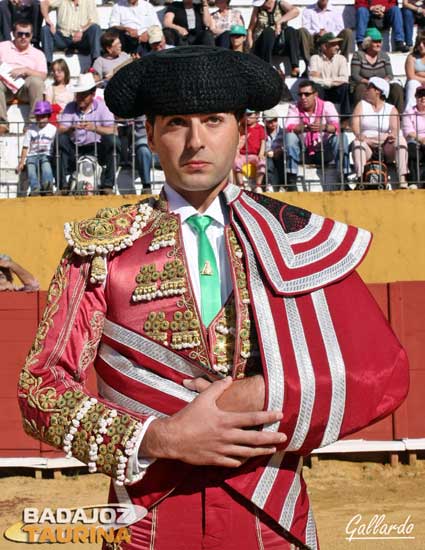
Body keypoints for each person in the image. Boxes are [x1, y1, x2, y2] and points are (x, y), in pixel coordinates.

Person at [18, 46, 409, 550]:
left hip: (270, 514)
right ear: (153, 134)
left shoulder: (295, 236)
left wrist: (261, 395)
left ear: (243, 131)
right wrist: (160, 438)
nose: (195, 141)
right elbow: (40, 388)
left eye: (214, 120)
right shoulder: (103, 247)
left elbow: (381, 372)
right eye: (178, 122)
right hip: (145, 520)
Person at [57, 72, 120, 194]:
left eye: (83, 95)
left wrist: (94, 128)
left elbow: (114, 130)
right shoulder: (70, 107)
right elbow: (60, 129)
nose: (79, 98)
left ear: (92, 94)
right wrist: (72, 128)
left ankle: (108, 185)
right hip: (75, 148)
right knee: (61, 140)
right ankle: (62, 186)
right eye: (78, 95)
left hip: (97, 147)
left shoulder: (102, 107)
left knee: (113, 141)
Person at [284, 79, 350, 190]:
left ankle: (344, 178)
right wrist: (305, 128)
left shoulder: (327, 106)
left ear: (315, 95)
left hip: (325, 151)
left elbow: (337, 126)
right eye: (300, 94)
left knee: (341, 137)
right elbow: (288, 126)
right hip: (303, 152)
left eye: (307, 94)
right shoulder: (294, 107)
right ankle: (291, 180)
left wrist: (324, 128)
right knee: (290, 137)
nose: (303, 97)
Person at [351, 76, 408, 187]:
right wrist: (360, 136)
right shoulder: (361, 105)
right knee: (357, 143)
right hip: (366, 144)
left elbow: (395, 130)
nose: (366, 90)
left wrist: (389, 136)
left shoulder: (391, 108)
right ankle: (360, 180)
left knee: (400, 141)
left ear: (378, 91)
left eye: (369, 88)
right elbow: (355, 125)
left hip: (385, 145)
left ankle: (402, 180)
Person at [0, 20, 47, 135]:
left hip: (25, 88)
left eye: (27, 34)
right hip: (4, 86)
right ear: (13, 34)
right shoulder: (2, 47)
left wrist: (26, 70)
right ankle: (2, 123)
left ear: (31, 36)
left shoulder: (38, 54)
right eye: (20, 34)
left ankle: (31, 123)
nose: (23, 37)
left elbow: (43, 75)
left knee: (37, 82)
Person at [350, 27, 404, 114]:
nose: (378, 44)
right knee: (360, 88)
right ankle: (359, 117)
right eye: (375, 42)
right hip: (365, 84)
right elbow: (355, 75)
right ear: (367, 43)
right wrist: (371, 83)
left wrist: (382, 83)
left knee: (397, 88)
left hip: (382, 85)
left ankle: (399, 118)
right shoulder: (358, 55)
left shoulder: (384, 56)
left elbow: (390, 75)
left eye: (380, 41)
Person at [247, 0, 301, 76]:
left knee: (290, 30)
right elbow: (250, 29)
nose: (262, 5)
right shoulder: (258, 8)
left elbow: (296, 11)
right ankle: (267, 66)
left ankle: (295, 66)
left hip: (279, 43)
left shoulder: (280, 3)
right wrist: (250, 46)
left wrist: (279, 22)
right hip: (263, 44)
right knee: (268, 31)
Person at [40, 0, 101, 65]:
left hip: (82, 39)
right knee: (46, 29)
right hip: (63, 38)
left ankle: (96, 63)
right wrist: (47, 19)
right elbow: (44, 3)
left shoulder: (88, 1)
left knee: (95, 28)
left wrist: (81, 30)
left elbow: (93, 21)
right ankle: (48, 64)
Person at [16, 100, 57, 195]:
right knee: (30, 169)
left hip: (46, 155)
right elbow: (25, 147)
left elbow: (55, 145)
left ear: (48, 116)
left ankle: (47, 187)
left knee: (46, 167)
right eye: (38, 117)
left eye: (43, 117)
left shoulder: (53, 129)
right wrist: (21, 162)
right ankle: (35, 189)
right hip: (32, 155)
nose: (40, 120)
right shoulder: (30, 129)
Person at [308, 32, 351, 118]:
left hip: (335, 91)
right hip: (322, 91)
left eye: (337, 44)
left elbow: (344, 79)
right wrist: (332, 82)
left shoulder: (341, 59)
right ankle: (318, 117)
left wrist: (325, 81)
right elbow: (313, 79)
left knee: (345, 86)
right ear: (324, 46)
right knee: (317, 87)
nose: (338, 47)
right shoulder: (315, 58)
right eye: (334, 44)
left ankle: (345, 119)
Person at [233, 109, 266, 191]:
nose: (247, 118)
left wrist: (261, 153)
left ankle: (258, 185)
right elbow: (237, 140)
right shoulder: (242, 127)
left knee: (262, 163)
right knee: (236, 162)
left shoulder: (260, 128)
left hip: (255, 155)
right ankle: (241, 184)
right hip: (243, 155)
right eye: (246, 115)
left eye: (250, 115)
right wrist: (237, 152)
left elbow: (263, 141)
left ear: (257, 115)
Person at [402, 83, 425, 188]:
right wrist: (421, 139)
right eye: (420, 95)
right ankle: (413, 182)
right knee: (411, 148)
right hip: (415, 139)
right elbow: (408, 131)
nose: (423, 98)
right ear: (416, 97)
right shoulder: (409, 112)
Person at [263, 107, 284, 190]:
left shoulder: (283, 132)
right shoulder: (262, 132)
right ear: (264, 122)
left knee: (282, 163)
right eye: (269, 121)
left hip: (280, 155)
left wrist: (279, 151)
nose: (273, 123)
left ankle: (282, 185)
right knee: (268, 163)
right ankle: (270, 184)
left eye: (275, 120)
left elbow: (285, 146)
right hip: (268, 156)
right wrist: (267, 152)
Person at [405, 32, 425, 109]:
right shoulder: (411, 57)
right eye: (419, 43)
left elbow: (414, 75)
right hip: (415, 83)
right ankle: (409, 112)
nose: (421, 45)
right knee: (412, 83)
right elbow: (410, 76)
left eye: (424, 43)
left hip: (418, 80)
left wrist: (418, 73)